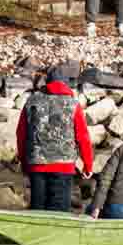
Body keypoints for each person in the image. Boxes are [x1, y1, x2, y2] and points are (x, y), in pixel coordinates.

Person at [17, 65, 95, 212]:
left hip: (37, 164)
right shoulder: (73, 104)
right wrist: (88, 165)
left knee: (37, 212)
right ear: (66, 83)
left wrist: (23, 161)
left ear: (47, 82)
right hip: (63, 166)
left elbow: (21, 133)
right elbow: (83, 137)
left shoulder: (32, 101)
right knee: (58, 212)